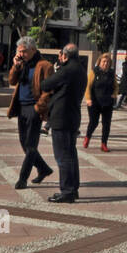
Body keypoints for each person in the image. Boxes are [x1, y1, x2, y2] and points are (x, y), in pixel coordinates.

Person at [41, 44, 87, 202]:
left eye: (61, 55)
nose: (59, 57)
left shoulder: (67, 70)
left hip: (62, 117)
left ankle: (67, 191)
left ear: (66, 56)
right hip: (73, 116)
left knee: (63, 156)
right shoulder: (81, 69)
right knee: (71, 154)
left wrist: (58, 69)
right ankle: (73, 189)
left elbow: (46, 85)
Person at [7, 37, 55, 190]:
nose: (21, 54)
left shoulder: (45, 66)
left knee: (31, 145)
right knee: (24, 144)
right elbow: (12, 81)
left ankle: (22, 178)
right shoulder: (22, 64)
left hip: (34, 108)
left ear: (33, 50)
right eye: (19, 51)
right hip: (21, 107)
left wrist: (38, 108)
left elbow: (49, 90)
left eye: (24, 51)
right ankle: (44, 169)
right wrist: (16, 66)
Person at [85, 52, 116, 151]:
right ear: (99, 62)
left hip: (107, 102)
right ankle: (87, 136)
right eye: (104, 61)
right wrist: (88, 99)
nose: (105, 63)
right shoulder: (94, 72)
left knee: (106, 124)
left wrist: (114, 95)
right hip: (95, 102)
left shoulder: (111, 73)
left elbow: (116, 86)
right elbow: (88, 87)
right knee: (94, 122)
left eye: (107, 62)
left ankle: (104, 144)